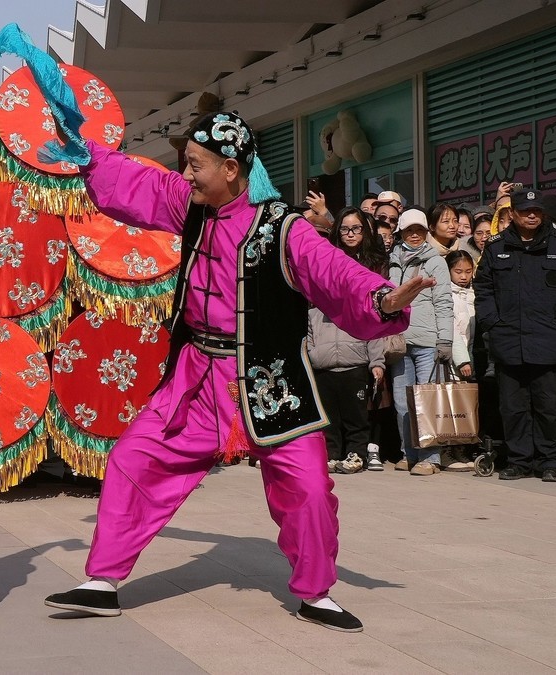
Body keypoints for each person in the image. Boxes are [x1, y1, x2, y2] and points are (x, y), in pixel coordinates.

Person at [40, 112, 428, 633]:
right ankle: (103, 581)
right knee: (134, 458)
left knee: (310, 489)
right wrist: (88, 153)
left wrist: (382, 297)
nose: (187, 175)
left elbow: (336, 273)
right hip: (196, 379)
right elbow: (139, 184)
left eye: (195, 165)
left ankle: (316, 591)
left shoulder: (283, 228)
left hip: (270, 381)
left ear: (230, 168)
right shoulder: (191, 206)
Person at [475, 188, 556, 483]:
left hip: (549, 341)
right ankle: (519, 460)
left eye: (537, 211)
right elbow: (483, 290)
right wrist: (492, 322)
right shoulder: (495, 248)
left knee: (549, 406)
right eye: (525, 211)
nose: (532, 215)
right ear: (513, 214)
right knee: (514, 407)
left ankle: (552, 461)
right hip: (509, 342)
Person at [307, 208, 388, 474]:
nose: (350, 234)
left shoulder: (373, 266)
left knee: (356, 413)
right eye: (344, 229)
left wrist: (377, 360)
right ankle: (331, 454)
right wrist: (311, 350)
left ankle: (357, 453)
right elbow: (309, 315)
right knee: (328, 414)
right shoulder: (324, 264)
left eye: (356, 228)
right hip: (324, 356)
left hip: (356, 354)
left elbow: (377, 318)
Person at [386, 208, 453, 476]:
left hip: (427, 342)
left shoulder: (435, 261)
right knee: (403, 403)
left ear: (426, 232)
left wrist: (445, 339)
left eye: (419, 230)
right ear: (401, 232)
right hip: (399, 342)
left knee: (426, 401)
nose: (414, 235)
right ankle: (409, 453)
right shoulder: (391, 261)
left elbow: (445, 302)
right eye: (409, 230)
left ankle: (431, 456)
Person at [443, 249, 477, 472]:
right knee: (449, 406)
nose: (463, 276)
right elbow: (453, 331)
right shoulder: (448, 295)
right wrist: (462, 360)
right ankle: (447, 451)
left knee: (463, 406)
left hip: (470, 356)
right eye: (458, 271)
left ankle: (461, 449)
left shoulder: (473, 294)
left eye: (468, 271)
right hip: (454, 361)